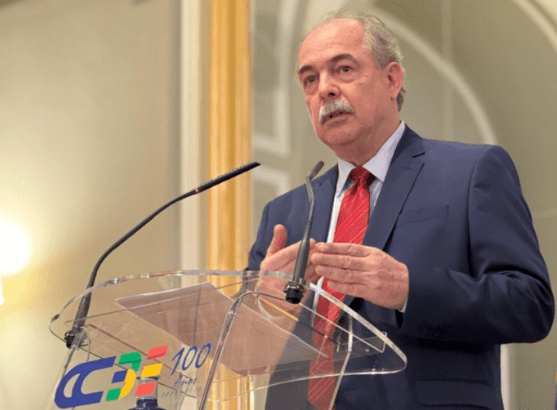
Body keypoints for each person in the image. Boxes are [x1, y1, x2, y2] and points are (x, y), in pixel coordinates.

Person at [248, 11, 554, 410]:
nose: (324, 89)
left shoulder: (470, 172)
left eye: (343, 69)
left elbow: (529, 305)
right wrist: (265, 309)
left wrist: (409, 289)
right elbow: (245, 357)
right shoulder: (285, 213)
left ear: (392, 79)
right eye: (309, 79)